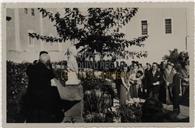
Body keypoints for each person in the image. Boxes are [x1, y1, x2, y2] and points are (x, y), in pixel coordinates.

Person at [23, 51, 63, 122]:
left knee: (32, 119)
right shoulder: (48, 72)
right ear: (47, 62)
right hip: (43, 102)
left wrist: (36, 63)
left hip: (32, 99)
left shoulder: (31, 68)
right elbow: (54, 82)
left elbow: (28, 70)